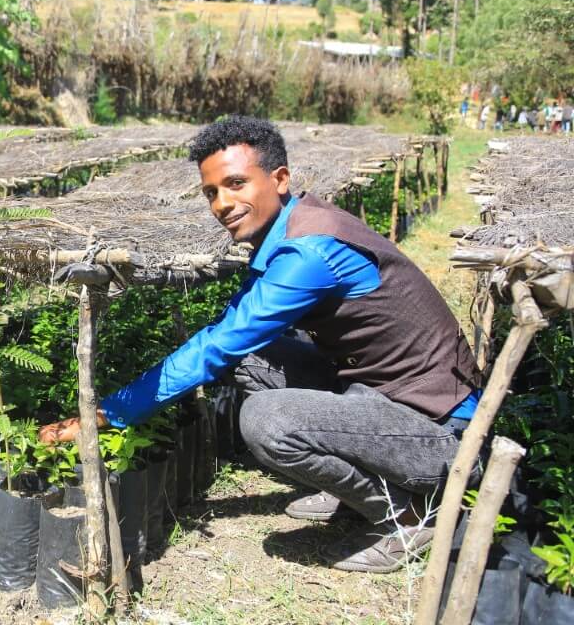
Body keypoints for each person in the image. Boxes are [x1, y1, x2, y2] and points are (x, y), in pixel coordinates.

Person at [40, 117, 481, 574]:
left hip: (441, 433)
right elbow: (235, 329)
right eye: (211, 192)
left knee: (266, 419)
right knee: (253, 358)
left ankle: (407, 516)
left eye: (235, 184)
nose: (222, 204)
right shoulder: (291, 228)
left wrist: (108, 414)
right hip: (380, 393)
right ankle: (355, 481)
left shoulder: (310, 251)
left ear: (280, 179)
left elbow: (218, 346)